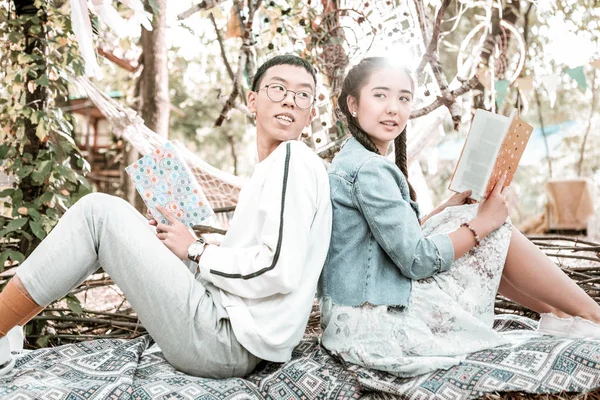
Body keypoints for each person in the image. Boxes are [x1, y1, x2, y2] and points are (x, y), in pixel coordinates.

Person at [0, 54, 332, 378]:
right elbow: (258, 264)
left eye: (303, 94)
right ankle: (8, 327)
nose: (290, 100)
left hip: (225, 340)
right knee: (117, 226)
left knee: (96, 213)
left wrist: (197, 251)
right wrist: (182, 244)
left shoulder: (293, 158)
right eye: (278, 88)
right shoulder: (270, 171)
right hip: (227, 330)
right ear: (252, 100)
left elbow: (278, 269)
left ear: (311, 113)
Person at [317, 57, 600, 377]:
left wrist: (449, 206)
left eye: (403, 98)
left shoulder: (355, 158)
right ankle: (590, 315)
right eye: (380, 95)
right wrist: (484, 223)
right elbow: (416, 260)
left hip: (354, 315)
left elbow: (393, 241)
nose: (393, 108)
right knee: (491, 228)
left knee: (466, 215)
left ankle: (562, 316)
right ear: (353, 104)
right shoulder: (369, 169)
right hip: (375, 322)